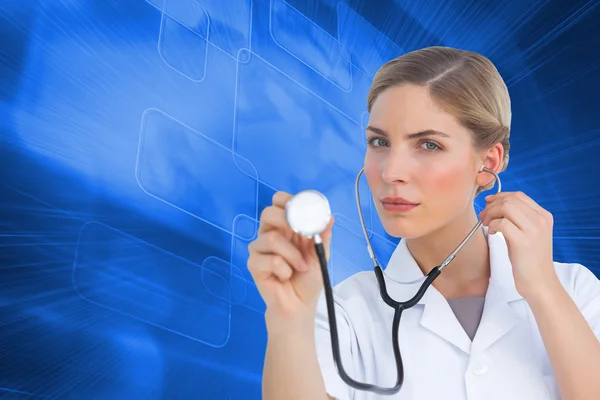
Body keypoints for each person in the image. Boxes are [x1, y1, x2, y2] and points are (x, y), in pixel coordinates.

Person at [247, 46, 600, 400]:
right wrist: (289, 321)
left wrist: (542, 289)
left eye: (428, 145)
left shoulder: (574, 292)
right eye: (379, 142)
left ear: (487, 163)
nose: (391, 171)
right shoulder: (343, 314)